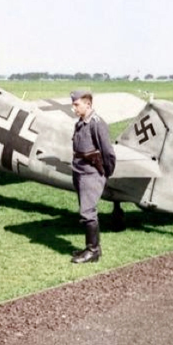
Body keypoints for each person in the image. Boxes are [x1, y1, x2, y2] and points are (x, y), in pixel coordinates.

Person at [70, 89, 115, 264]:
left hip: (91, 173)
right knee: (85, 210)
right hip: (80, 170)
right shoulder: (81, 123)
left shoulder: (97, 123)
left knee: (87, 212)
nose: (73, 108)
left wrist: (104, 172)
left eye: (76, 104)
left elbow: (108, 152)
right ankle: (92, 247)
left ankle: (93, 251)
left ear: (88, 104)